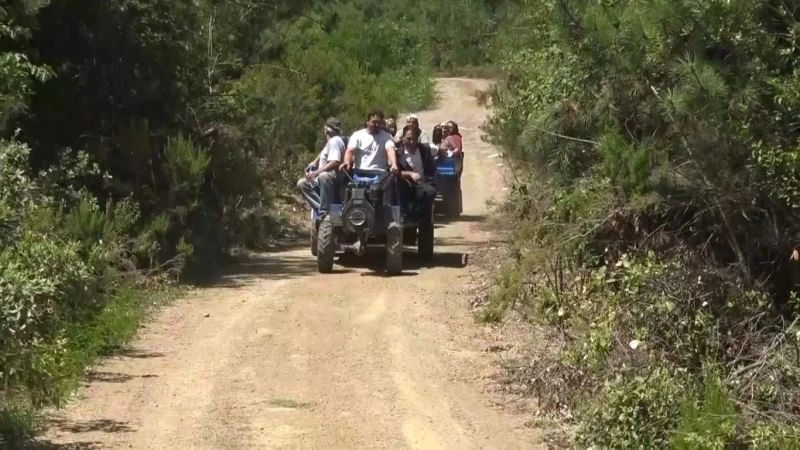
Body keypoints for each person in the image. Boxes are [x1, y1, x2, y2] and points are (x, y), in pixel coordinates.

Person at [297, 117, 346, 214]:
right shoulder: (333, 141)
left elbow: (335, 162)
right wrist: (315, 161)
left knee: (323, 176)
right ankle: (322, 211)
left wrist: (316, 172)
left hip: (331, 180)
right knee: (303, 184)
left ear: (326, 129)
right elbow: (326, 148)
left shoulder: (334, 141)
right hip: (326, 181)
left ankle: (325, 211)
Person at [396, 126, 437, 220]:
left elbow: (430, 170)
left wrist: (426, 183)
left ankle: (425, 221)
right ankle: (405, 217)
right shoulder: (398, 152)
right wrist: (410, 174)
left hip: (424, 183)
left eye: (414, 139)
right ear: (403, 138)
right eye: (408, 139)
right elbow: (395, 172)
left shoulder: (424, 150)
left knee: (429, 193)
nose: (411, 142)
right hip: (406, 183)